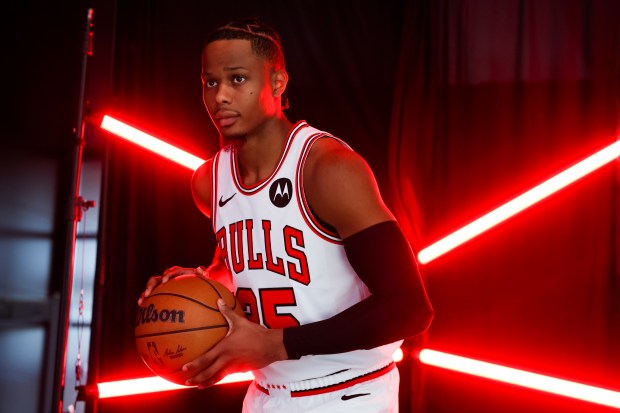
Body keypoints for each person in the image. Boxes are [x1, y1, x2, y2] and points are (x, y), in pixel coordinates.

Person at [139, 17, 433, 412]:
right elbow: (237, 265)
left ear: (277, 83)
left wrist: (275, 344)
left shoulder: (326, 168)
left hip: (349, 393)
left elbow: (410, 308)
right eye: (210, 82)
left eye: (238, 79)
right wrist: (199, 283)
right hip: (266, 396)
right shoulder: (209, 181)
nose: (221, 96)